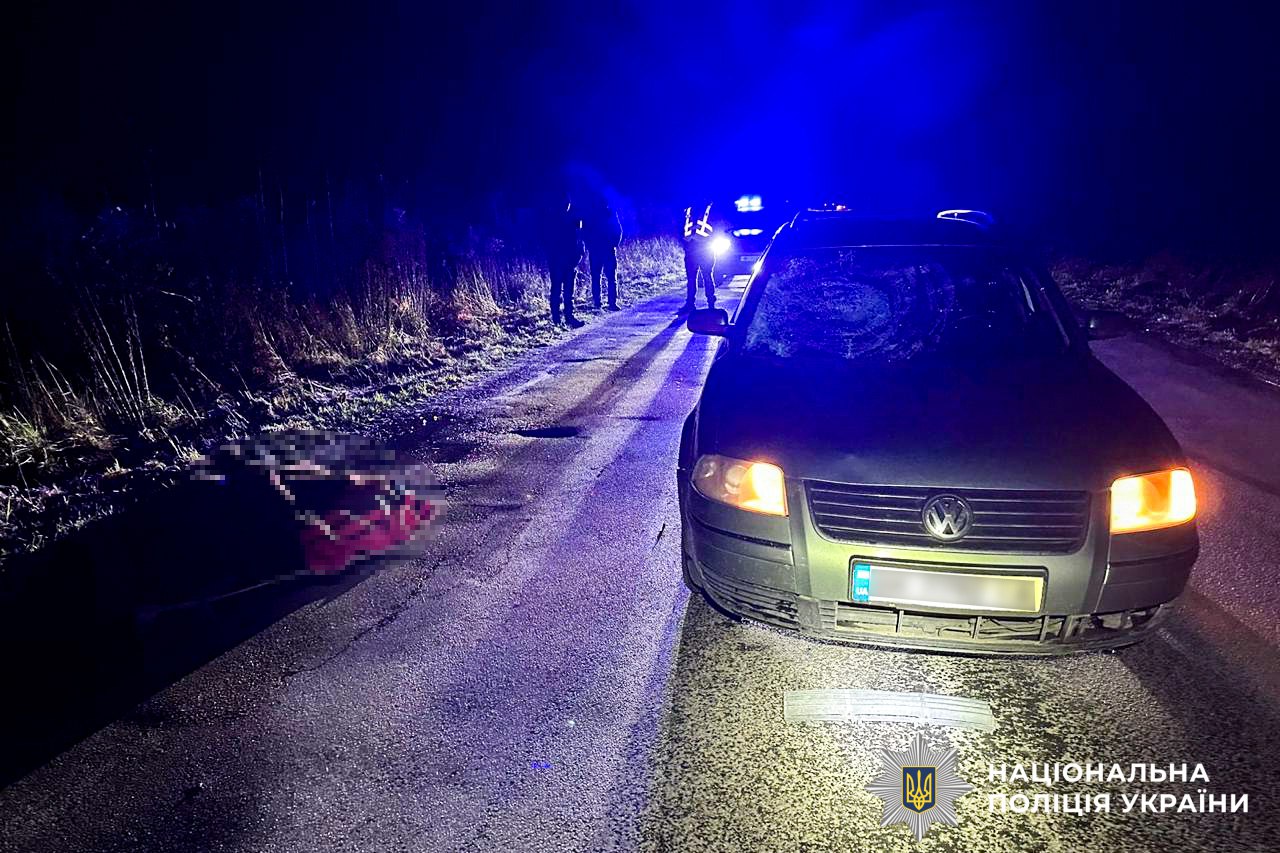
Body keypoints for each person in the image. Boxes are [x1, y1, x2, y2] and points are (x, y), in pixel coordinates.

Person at [545, 199, 585, 327]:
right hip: (559, 261)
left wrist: (578, 255)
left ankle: (565, 318)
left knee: (565, 291)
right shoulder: (555, 221)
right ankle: (560, 319)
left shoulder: (570, 220)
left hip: (567, 261)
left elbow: (578, 240)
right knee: (560, 291)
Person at [680, 201, 719, 313]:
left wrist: (706, 241)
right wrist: (685, 243)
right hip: (690, 251)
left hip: (705, 251)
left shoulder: (711, 210)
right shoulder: (687, 210)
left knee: (707, 277)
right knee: (691, 279)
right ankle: (690, 304)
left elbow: (717, 230)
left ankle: (711, 304)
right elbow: (680, 229)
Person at [584, 200, 623, 310]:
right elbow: (618, 231)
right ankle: (611, 303)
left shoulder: (592, 215)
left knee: (597, 278)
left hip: (598, 250)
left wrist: (589, 245)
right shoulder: (609, 213)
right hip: (605, 250)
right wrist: (614, 244)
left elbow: (584, 233)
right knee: (610, 278)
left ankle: (599, 303)